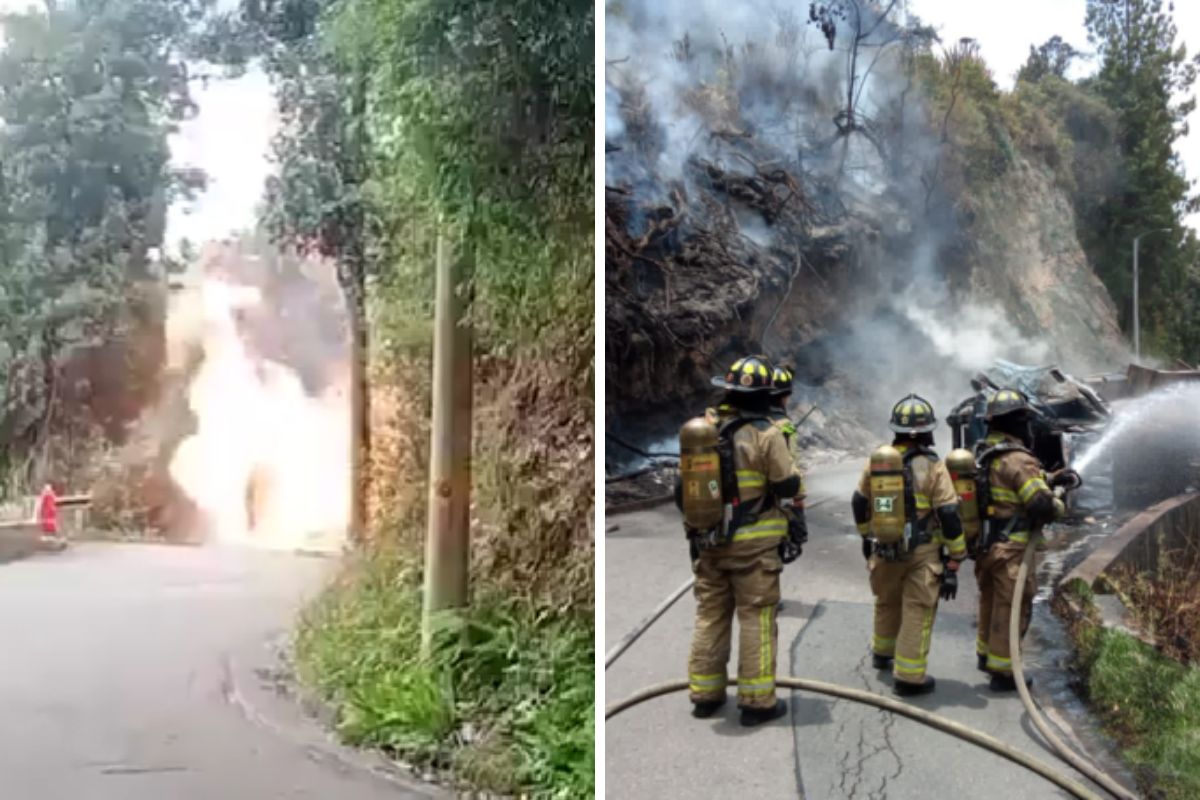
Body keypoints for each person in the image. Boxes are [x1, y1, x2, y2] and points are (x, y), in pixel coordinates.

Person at [684, 354, 804, 726]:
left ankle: (705, 695)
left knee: (710, 615)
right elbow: (788, 485)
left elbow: (683, 488)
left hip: (708, 540)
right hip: (754, 546)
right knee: (756, 616)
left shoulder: (703, 430)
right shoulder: (766, 434)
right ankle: (756, 702)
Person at [851, 394, 966, 696]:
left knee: (887, 600)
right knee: (918, 608)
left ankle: (882, 653)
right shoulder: (933, 466)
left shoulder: (877, 462)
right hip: (922, 551)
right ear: (928, 430)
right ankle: (909, 677)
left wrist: (866, 536)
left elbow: (859, 501)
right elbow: (950, 513)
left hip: (884, 546)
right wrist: (956, 556)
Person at [974, 388, 1067, 692]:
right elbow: (1039, 505)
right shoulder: (1019, 459)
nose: (1028, 428)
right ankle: (1004, 672)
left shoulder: (985, 454)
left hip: (988, 547)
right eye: (1025, 421)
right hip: (1013, 549)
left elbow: (1008, 487)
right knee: (1012, 606)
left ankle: (986, 656)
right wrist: (1058, 500)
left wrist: (1052, 479)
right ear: (1016, 423)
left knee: (990, 601)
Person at [768, 364, 808, 565]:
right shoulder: (783, 426)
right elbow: (791, 464)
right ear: (783, 396)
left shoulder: (735, 421)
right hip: (764, 502)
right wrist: (798, 498)